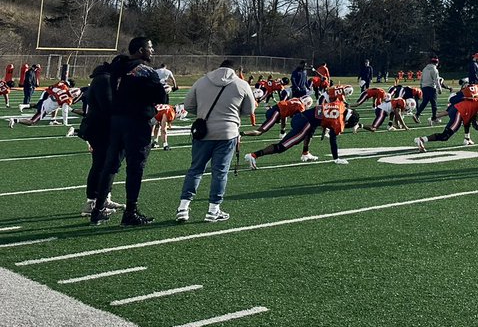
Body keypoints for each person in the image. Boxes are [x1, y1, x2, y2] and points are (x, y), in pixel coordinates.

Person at [91, 37, 169, 226]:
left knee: (110, 165)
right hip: (137, 122)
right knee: (135, 168)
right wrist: (164, 90)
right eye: (150, 47)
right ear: (141, 50)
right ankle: (130, 212)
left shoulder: (118, 66)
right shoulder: (145, 71)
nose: (153, 51)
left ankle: (98, 208)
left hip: (117, 121)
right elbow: (160, 97)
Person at [176, 60, 256, 223]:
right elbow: (250, 109)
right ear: (235, 70)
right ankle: (213, 209)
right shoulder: (241, 84)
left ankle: (183, 207)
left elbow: (188, 105)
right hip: (227, 132)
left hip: (203, 132)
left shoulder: (202, 80)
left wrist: (203, 112)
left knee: (195, 169)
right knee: (219, 172)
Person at [246, 93, 350, 168]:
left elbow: (320, 113)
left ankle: (305, 153)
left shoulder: (340, 104)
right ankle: (254, 155)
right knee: (282, 146)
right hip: (304, 122)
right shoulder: (339, 122)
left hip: (305, 118)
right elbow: (333, 139)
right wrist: (336, 158)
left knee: (310, 132)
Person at [415, 84, 478, 151]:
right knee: (445, 136)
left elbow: (469, 120)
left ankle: (467, 139)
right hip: (458, 112)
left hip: (457, 109)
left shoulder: (476, 99)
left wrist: (474, 123)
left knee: (466, 123)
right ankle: (421, 139)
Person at [414, 56, 447, 125]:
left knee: (425, 102)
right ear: (437, 63)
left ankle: (417, 114)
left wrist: (421, 87)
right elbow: (436, 80)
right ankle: (434, 118)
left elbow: (421, 79)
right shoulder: (434, 70)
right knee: (434, 103)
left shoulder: (425, 69)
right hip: (431, 88)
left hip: (424, 87)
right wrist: (439, 88)